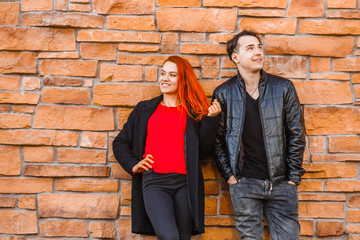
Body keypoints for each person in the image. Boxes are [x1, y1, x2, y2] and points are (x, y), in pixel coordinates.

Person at [113, 56, 221, 240]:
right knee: (169, 236)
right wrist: (133, 164)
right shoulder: (145, 109)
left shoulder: (193, 112)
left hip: (186, 183)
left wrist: (211, 121)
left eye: (172, 75)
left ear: (183, 80)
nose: (165, 78)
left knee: (183, 237)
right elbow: (120, 142)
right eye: (163, 73)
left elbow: (201, 153)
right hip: (155, 182)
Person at [212, 30, 305, 240]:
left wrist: (292, 179)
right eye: (250, 48)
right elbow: (218, 142)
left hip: (282, 183)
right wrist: (231, 177)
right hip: (244, 184)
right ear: (235, 57)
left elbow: (297, 135)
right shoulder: (223, 93)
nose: (258, 52)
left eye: (259, 47)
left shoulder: (283, 88)